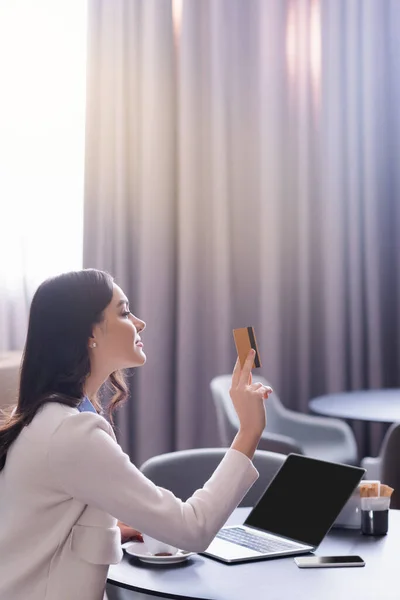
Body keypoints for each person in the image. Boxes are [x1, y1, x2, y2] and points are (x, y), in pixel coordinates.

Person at [0, 269, 272, 600]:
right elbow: (193, 528)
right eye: (125, 312)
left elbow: (38, 529)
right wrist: (249, 431)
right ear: (89, 332)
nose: (140, 323)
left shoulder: (49, 419)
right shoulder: (71, 433)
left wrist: (109, 531)